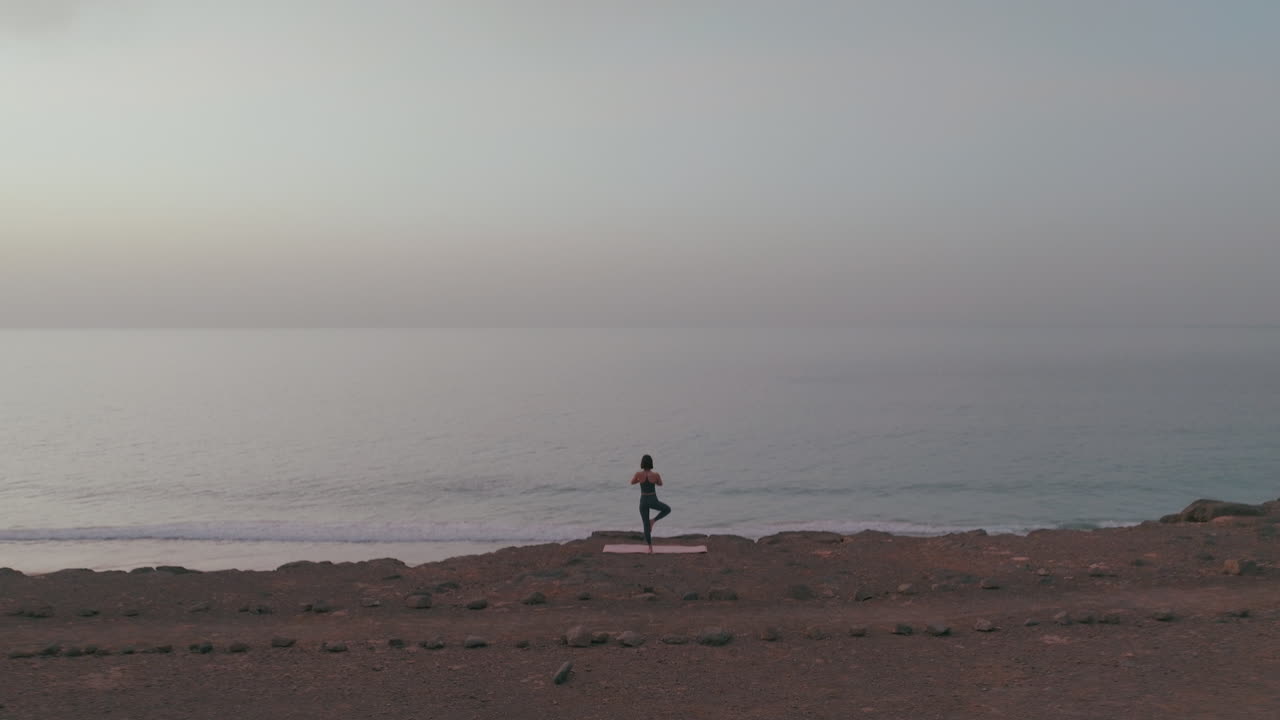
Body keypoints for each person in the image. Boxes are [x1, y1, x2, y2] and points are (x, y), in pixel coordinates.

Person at [630, 454, 671, 551]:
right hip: (653, 500)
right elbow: (660, 484)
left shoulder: (638, 474)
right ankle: (653, 520)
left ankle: (650, 547)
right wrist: (654, 482)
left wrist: (640, 481)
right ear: (651, 463)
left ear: (642, 463)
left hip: (643, 500)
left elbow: (632, 482)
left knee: (645, 524)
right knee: (667, 509)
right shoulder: (656, 475)